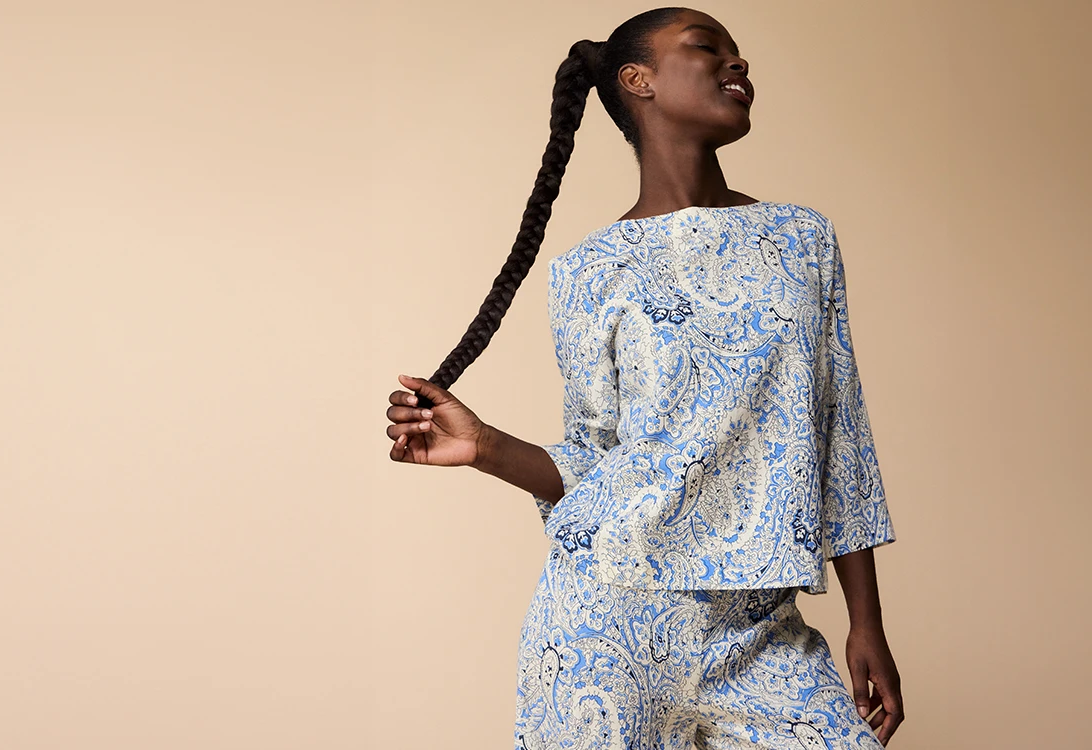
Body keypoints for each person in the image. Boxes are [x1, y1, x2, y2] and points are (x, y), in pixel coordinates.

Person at [382, 8, 905, 748]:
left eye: (738, 52)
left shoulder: (802, 239)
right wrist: (485, 447)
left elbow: (839, 437)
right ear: (638, 80)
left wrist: (866, 622)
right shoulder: (587, 271)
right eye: (706, 48)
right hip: (607, 620)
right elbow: (595, 458)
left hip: (760, 624)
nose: (737, 63)